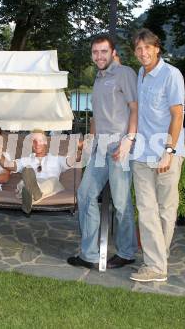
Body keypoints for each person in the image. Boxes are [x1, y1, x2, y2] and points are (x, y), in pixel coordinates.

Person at [67, 34, 138, 270]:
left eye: (103, 52)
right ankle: (89, 254)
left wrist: (129, 139)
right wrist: (89, 140)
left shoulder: (125, 73)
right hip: (99, 147)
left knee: (121, 203)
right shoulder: (98, 78)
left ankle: (127, 252)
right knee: (85, 195)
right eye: (95, 52)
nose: (99, 56)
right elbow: (96, 115)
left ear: (113, 52)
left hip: (120, 148)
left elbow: (135, 108)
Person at [130, 28, 185, 283]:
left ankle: (157, 262)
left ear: (157, 48)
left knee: (165, 209)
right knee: (146, 208)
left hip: (166, 153)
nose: (143, 53)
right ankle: (156, 263)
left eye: (147, 48)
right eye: (139, 49)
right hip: (142, 152)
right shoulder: (141, 73)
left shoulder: (171, 74)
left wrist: (169, 152)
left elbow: (177, 115)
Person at [0, 130, 79, 214]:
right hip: (31, 183)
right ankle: (32, 194)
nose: (37, 144)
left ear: (46, 141)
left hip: (49, 183)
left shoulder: (56, 158)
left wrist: (80, 150)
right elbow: (9, 165)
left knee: (53, 181)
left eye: (40, 140)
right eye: (34, 141)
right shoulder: (26, 160)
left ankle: (30, 196)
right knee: (23, 183)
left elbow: (70, 160)